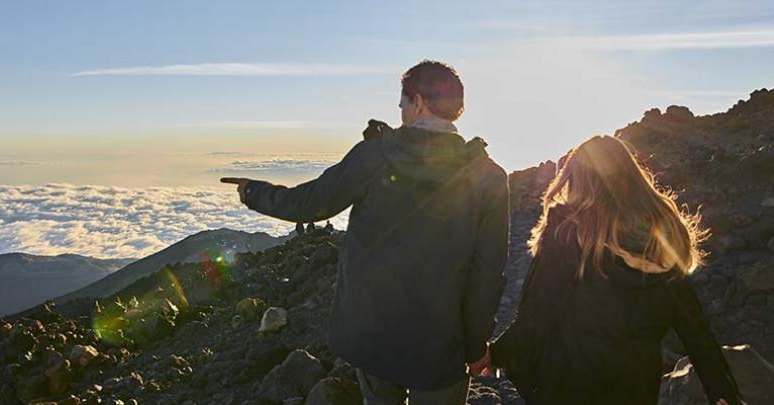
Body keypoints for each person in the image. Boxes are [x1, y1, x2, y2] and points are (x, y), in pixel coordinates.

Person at [222, 60, 509, 404]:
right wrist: (477, 346)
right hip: (442, 346)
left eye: (402, 103)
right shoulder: (488, 176)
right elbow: (488, 273)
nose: (400, 110)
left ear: (417, 102)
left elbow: (311, 203)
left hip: (375, 338)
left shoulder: (376, 156)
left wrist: (254, 192)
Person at [490, 135, 742, 405]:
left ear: (577, 180)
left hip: (570, 384)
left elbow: (537, 313)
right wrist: (721, 389)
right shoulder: (661, 239)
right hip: (635, 387)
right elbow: (695, 328)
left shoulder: (569, 232)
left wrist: (494, 354)